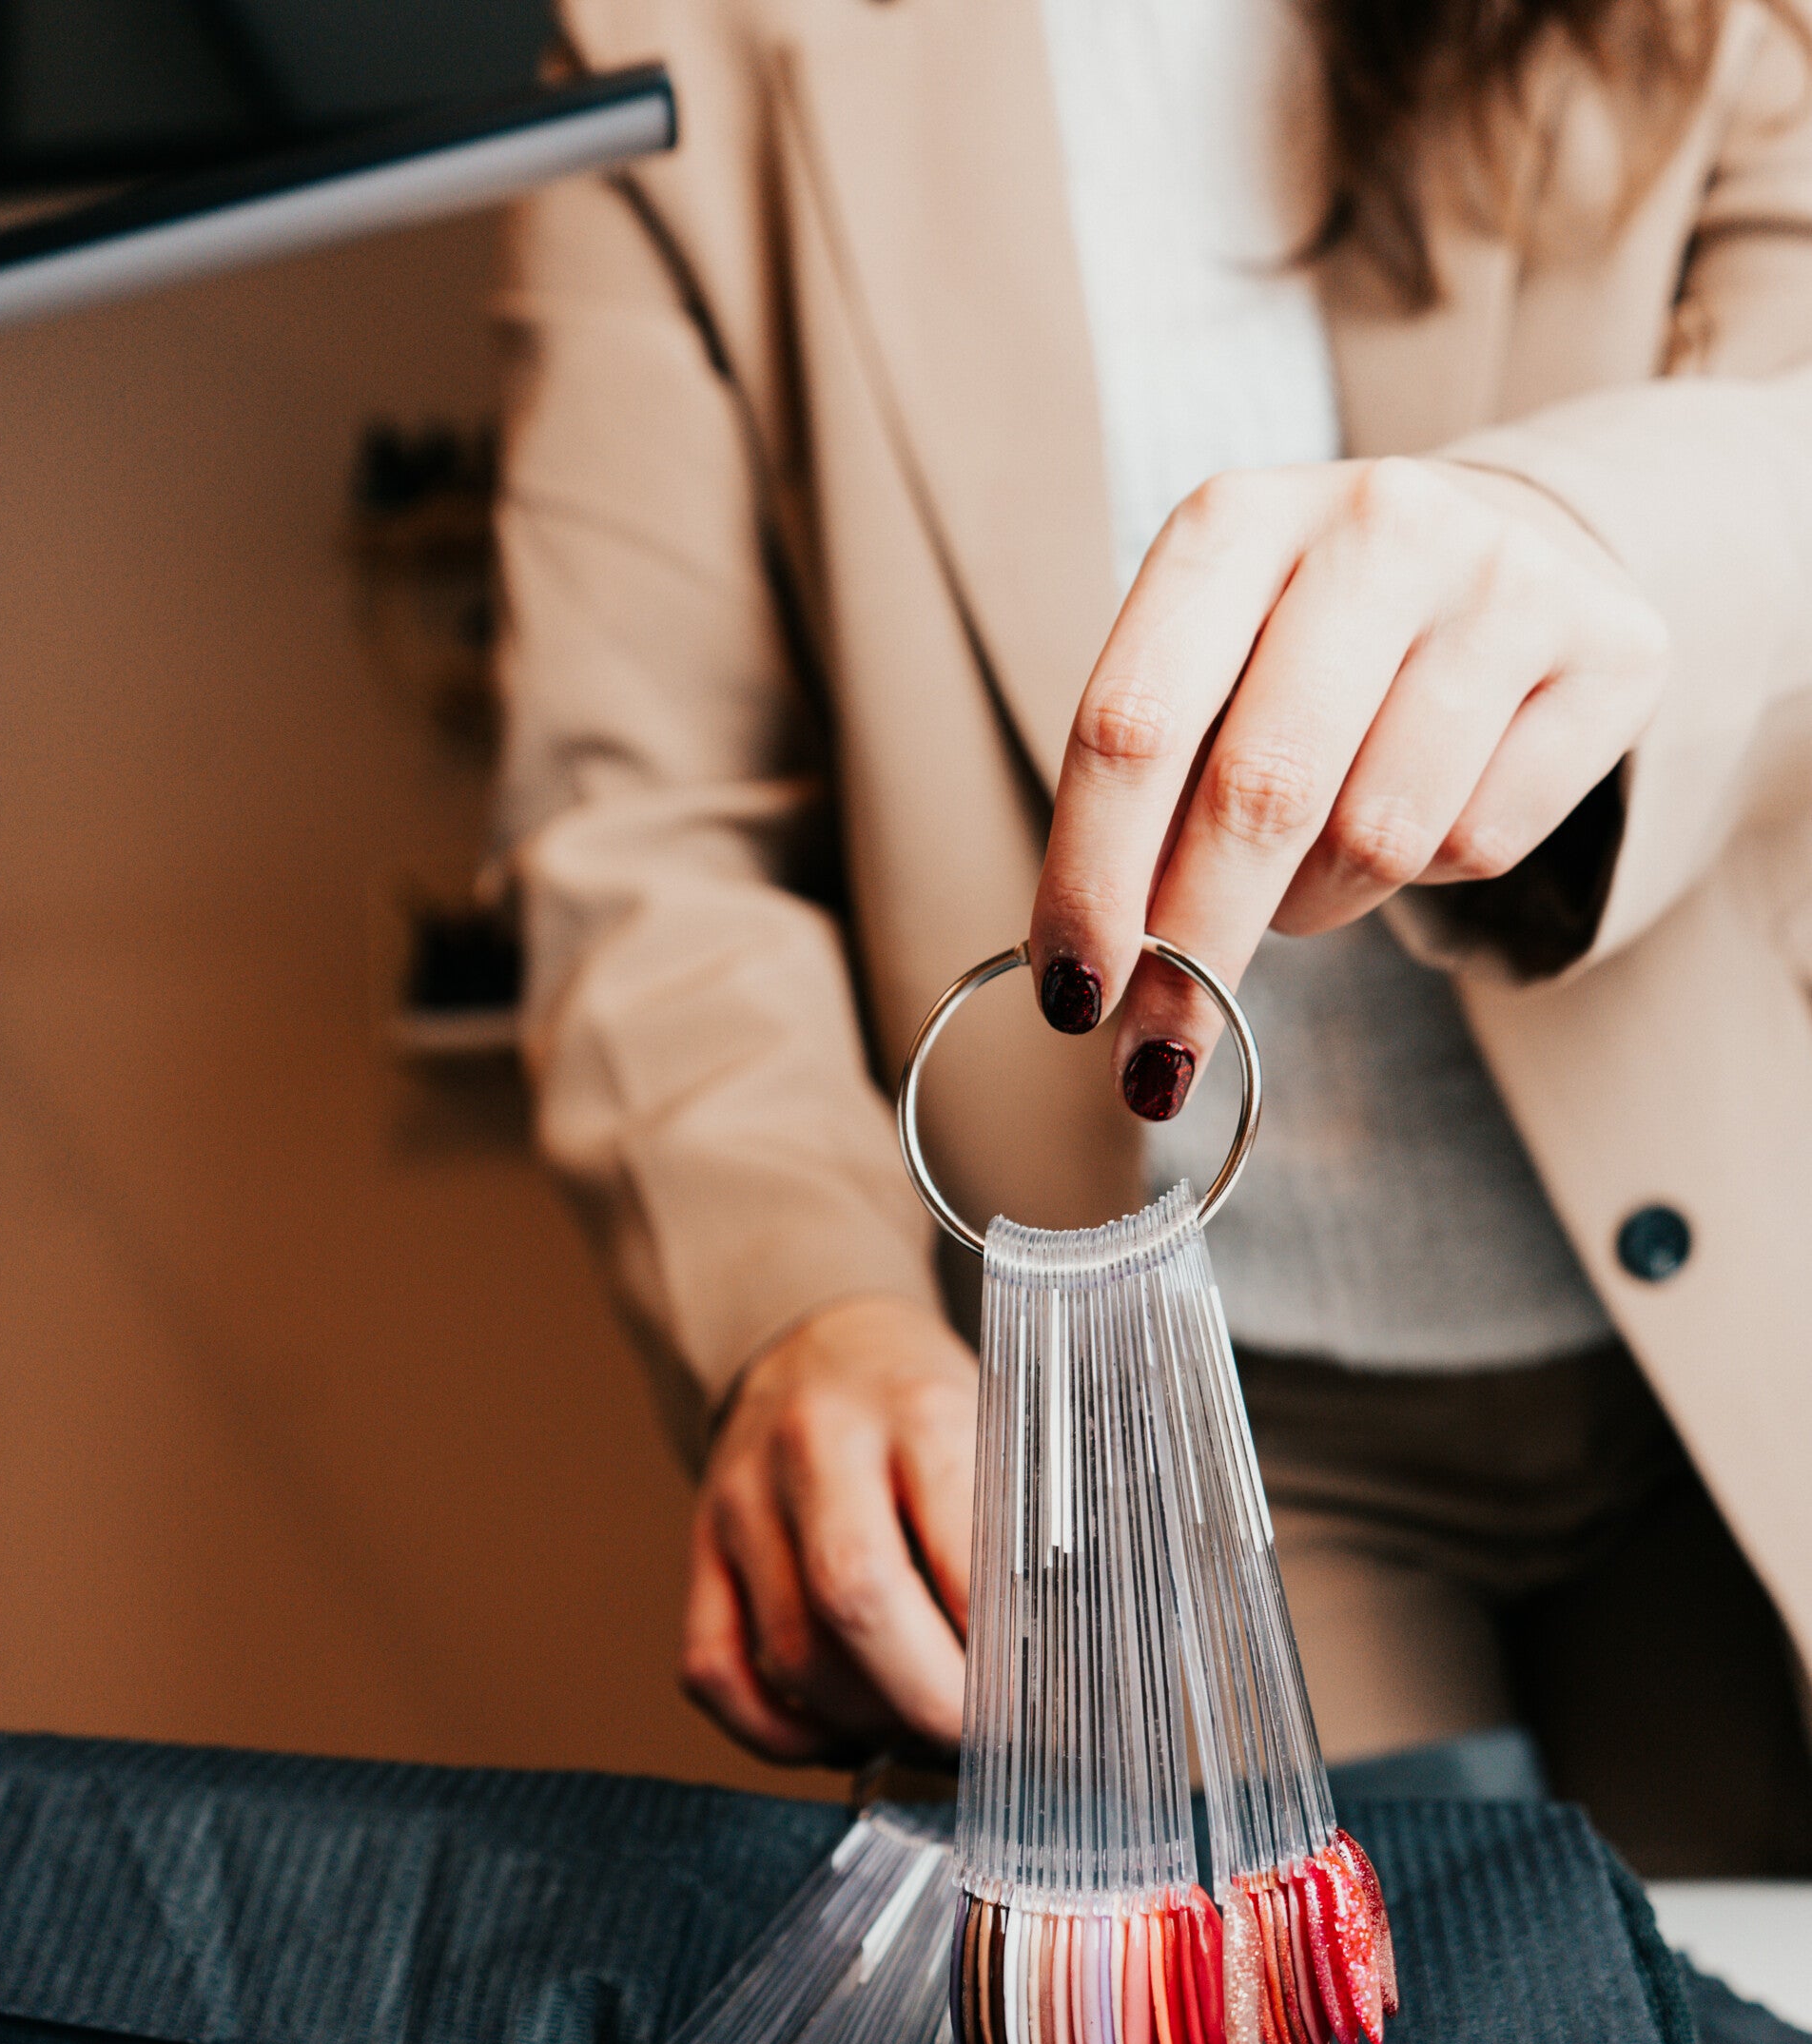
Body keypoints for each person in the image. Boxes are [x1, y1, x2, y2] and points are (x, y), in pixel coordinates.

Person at [495, 0, 1812, 1874]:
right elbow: (643, 821)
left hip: (1750, 1303)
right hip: (1190, 1427)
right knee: (1313, 2042)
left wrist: (1577, 540)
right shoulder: (677, 45)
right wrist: (807, 1307)